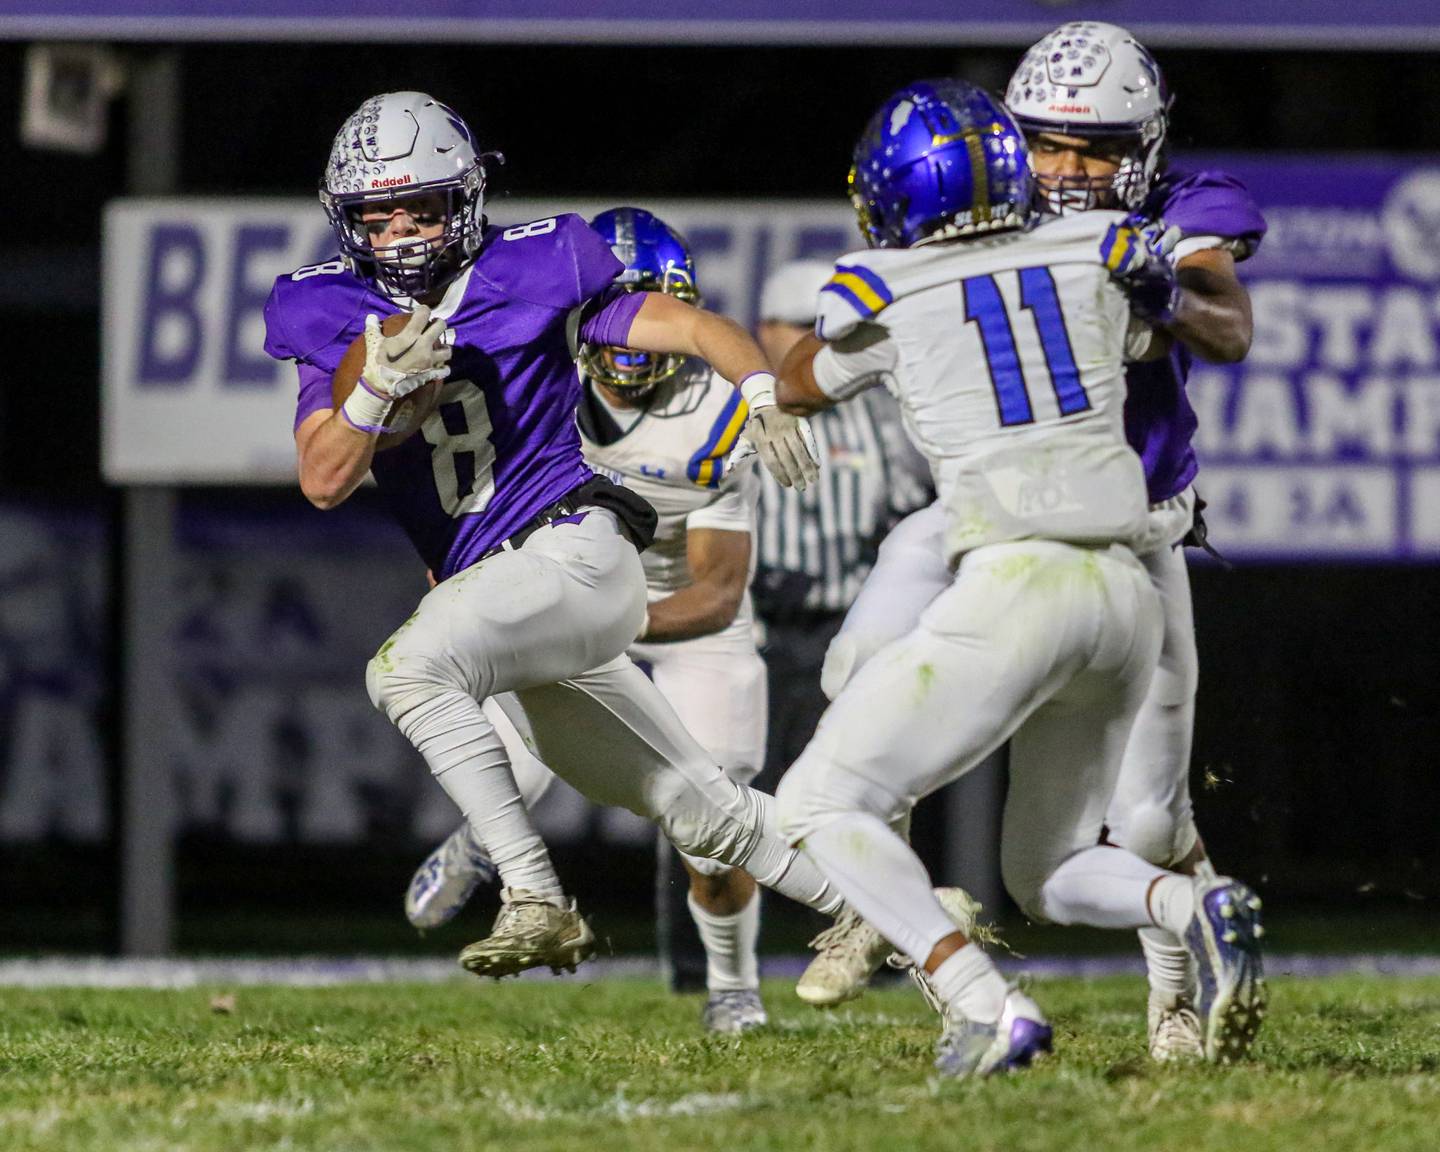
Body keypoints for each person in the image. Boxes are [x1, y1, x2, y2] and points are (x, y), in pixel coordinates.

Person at [263, 91, 843, 984]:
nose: (403, 234)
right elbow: (324, 477)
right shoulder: (332, 313)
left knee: (405, 671)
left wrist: (759, 394)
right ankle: (913, 928)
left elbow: (692, 325)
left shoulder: (538, 265)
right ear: (347, 221)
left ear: (467, 201)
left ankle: (533, 895)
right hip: (508, 591)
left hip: (573, 546)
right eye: (380, 216)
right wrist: (374, 391)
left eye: (424, 207)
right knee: (703, 811)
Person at [772, 78, 1265, 1079]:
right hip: (1126, 593)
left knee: (816, 806)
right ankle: (1193, 903)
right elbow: (1162, 321)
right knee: (1051, 869)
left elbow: (800, 379)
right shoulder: (1107, 249)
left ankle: (982, 1006)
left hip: (1015, 579)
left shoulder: (882, 280)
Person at [405, 207, 773, 1032]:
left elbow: (716, 591)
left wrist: (601, 622)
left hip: (684, 624)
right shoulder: (533, 392)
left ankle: (732, 984)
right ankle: (481, 841)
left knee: (712, 835)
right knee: (505, 767)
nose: (630, 347)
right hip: (563, 595)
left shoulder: (712, 416)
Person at [745, 261, 938, 1006]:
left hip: (847, 620)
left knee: (864, 787)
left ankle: (883, 939)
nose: (811, 345)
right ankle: (721, 961)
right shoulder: (735, 406)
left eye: (820, 330)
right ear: (767, 331)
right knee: (742, 799)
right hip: (760, 628)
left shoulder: (879, 415)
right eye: (798, 329)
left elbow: (915, 512)